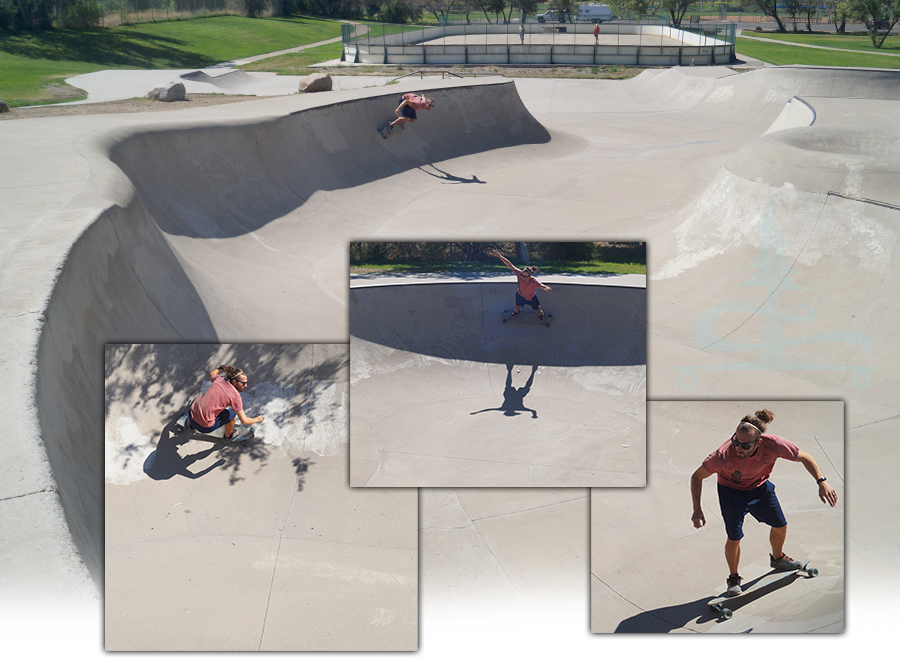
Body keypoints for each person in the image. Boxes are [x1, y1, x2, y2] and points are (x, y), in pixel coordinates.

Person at [690, 409, 838, 596]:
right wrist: (697, 509)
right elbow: (697, 477)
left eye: (745, 445)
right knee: (734, 537)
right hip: (732, 493)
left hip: (760, 489)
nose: (738, 448)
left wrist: (821, 481)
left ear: (758, 442)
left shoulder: (774, 445)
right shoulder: (722, 455)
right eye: (736, 441)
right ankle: (734, 578)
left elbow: (805, 457)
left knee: (781, 525)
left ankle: (777, 558)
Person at [188, 364, 264, 441]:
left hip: (191, 415)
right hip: (204, 427)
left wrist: (221, 368)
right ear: (234, 382)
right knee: (232, 415)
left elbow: (211, 374)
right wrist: (257, 419)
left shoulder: (220, 379)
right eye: (243, 383)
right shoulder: (235, 397)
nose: (246, 386)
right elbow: (244, 420)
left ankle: (191, 427)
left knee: (203, 399)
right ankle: (227, 436)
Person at [492, 248, 552, 321]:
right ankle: (516, 312)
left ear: (529, 276)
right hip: (520, 295)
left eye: (524, 276)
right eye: (521, 274)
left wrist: (546, 288)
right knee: (517, 305)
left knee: (537, 308)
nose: (521, 277)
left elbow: (541, 286)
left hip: (531, 297)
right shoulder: (519, 273)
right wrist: (500, 256)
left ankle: (540, 314)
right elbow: (510, 265)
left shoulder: (533, 281)